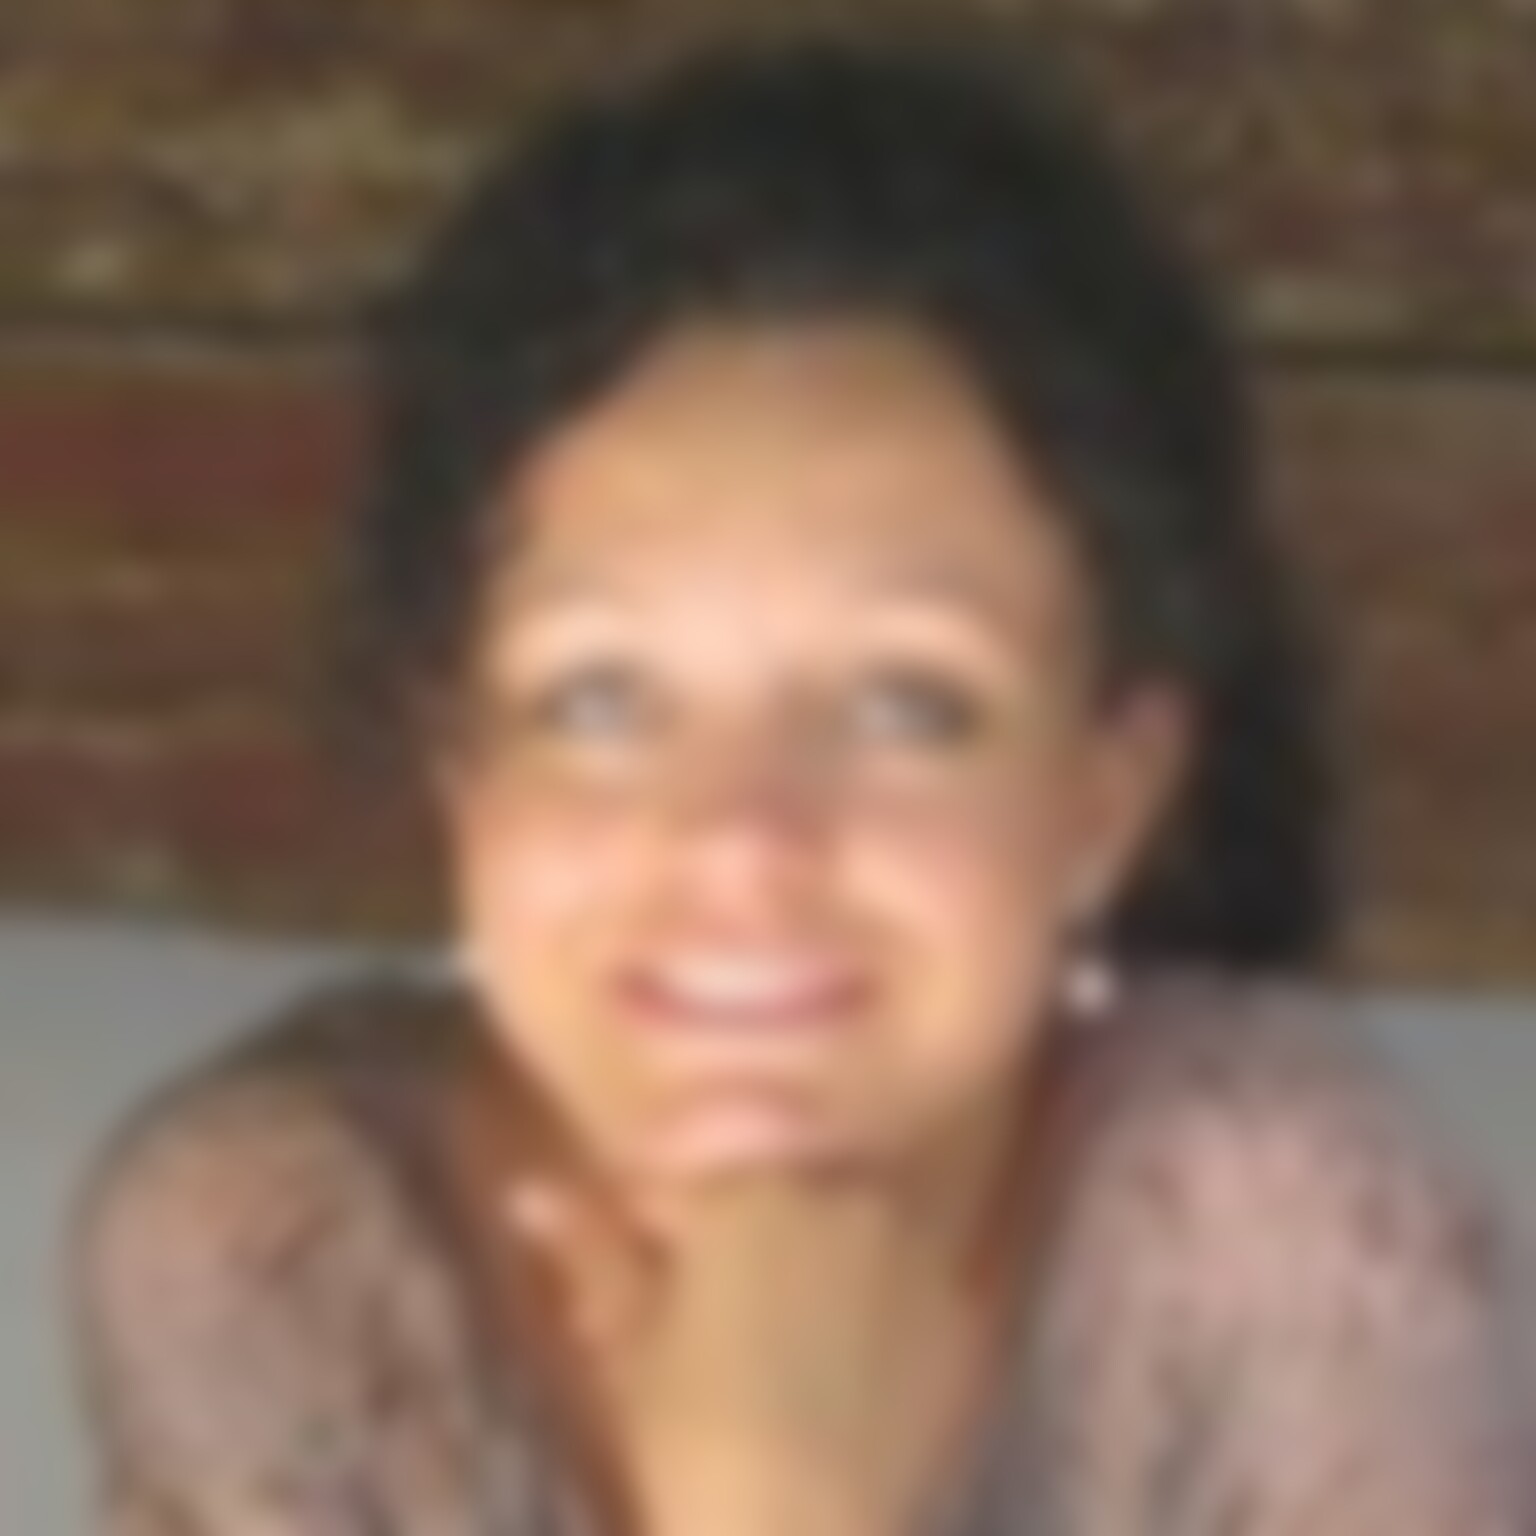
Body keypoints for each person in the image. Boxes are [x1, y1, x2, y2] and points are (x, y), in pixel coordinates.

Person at [71, 31, 1532, 1536]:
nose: (742, 845)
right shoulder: (282, 1250)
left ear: (1105, 800)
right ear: (466, 779)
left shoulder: (1284, 1237)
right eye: (601, 700)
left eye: (908, 705)